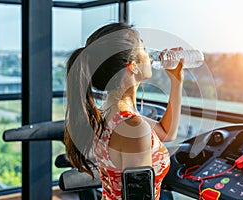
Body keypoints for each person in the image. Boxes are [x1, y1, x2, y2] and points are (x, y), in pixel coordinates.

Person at [64, 22, 184, 200]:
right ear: (133, 66)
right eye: (143, 47)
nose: (150, 55)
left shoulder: (108, 113)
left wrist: (177, 81)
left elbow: (166, 133)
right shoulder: (132, 128)